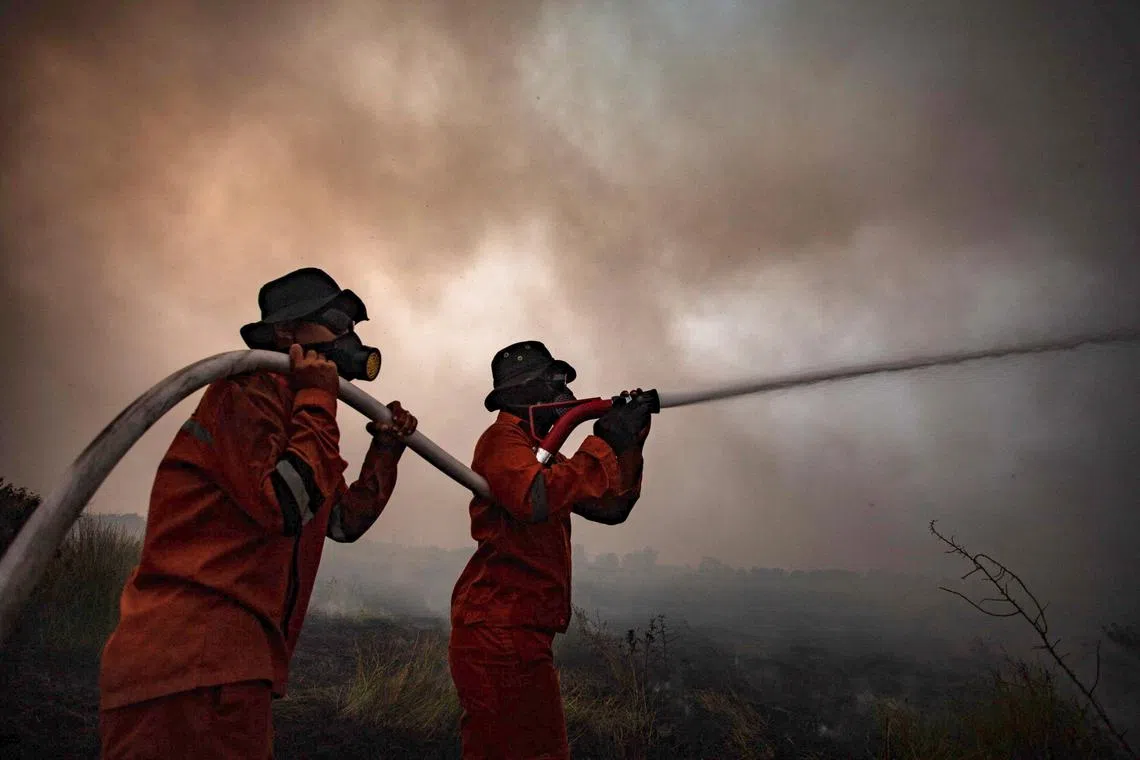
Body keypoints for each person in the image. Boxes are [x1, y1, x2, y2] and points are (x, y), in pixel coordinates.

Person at [98, 267, 418, 759]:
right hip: (187, 668)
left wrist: (386, 451)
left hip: (234, 669)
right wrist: (318, 399)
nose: (349, 338)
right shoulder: (248, 391)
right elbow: (285, 504)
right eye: (335, 321)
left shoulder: (296, 410)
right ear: (287, 332)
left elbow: (338, 521)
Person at [449, 340, 653, 760]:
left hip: (517, 630)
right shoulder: (503, 440)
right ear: (519, 394)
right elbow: (533, 498)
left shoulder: (544, 455)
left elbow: (612, 507)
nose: (564, 393)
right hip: (500, 630)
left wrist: (629, 444)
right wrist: (599, 446)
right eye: (554, 382)